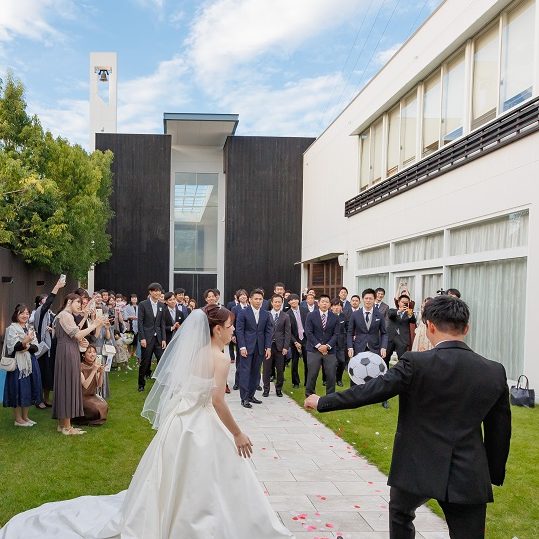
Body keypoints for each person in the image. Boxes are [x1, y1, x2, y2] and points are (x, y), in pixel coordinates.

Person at [0, 307, 294, 539]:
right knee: (206, 474)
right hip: (199, 421)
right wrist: (238, 433)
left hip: (182, 420)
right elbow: (217, 401)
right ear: (217, 329)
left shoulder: (197, 352)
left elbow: (188, 388)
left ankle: (177, 515)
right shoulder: (219, 358)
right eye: (230, 326)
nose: (232, 331)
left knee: (175, 474)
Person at [305, 295, 511, 539]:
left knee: (401, 515)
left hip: (416, 464)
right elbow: (499, 430)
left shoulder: (416, 362)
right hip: (468, 470)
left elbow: (373, 390)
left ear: (430, 326)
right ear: (467, 328)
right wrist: (491, 473)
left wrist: (323, 401)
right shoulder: (494, 371)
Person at [52, 293, 104, 435]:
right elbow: (77, 335)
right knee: (68, 386)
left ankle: (62, 424)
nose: (80, 306)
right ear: (69, 302)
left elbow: (75, 330)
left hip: (67, 351)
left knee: (65, 386)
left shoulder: (65, 315)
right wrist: (94, 324)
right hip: (68, 352)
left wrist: (86, 317)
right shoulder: (65, 315)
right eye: (78, 303)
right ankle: (67, 427)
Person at [2, 304, 42, 427]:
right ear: (16, 314)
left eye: (27, 313)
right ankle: (18, 419)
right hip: (18, 365)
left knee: (29, 389)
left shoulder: (30, 328)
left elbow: (36, 347)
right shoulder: (12, 329)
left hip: (30, 363)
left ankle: (25, 417)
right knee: (18, 390)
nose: (25, 315)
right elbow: (14, 347)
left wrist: (26, 345)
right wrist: (25, 342)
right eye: (22, 313)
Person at [235, 289, 273, 408]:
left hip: (260, 347)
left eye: (260, 299)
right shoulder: (243, 312)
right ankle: (244, 398)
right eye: (256, 299)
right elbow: (239, 330)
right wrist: (242, 346)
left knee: (256, 373)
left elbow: (268, 331)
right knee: (245, 372)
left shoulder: (266, 314)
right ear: (250, 299)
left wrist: (268, 347)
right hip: (246, 347)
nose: (258, 301)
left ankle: (251, 395)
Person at [33, 276, 66, 407]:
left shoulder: (50, 314)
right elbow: (49, 302)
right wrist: (57, 287)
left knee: (48, 374)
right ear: (40, 303)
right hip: (43, 349)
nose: (48, 302)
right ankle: (39, 400)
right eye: (45, 300)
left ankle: (46, 399)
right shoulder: (39, 313)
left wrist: (53, 330)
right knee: (42, 374)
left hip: (51, 348)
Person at [304, 294, 339, 396]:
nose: (324, 304)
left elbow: (336, 334)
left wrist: (327, 346)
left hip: (330, 351)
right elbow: (308, 332)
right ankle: (309, 395)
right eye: (322, 301)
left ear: (330, 304)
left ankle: (330, 397)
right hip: (314, 350)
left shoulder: (335, 317)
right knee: (312, 374)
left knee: (331, 375)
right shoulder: (311, 315)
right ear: (318, 303)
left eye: (327, 302)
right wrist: (319, 346)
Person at [137, 283, 166, 392]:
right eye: (155, 291)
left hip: (158, 338)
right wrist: (142, 338)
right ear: (150, 292)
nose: (157, 293)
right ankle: (141, 384)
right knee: (145, 362)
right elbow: (140, 323)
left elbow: (162, 324)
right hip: (147, 338)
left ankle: (161, 384)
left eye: (159, 291)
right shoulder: (143, 304)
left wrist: (163, 339)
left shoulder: (162, 305)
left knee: (162, 361)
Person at [263, 294, 291, 397]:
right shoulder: (266, 314)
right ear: (272, 303)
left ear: (282, 303)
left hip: (280, 347)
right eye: (275, 302)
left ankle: (278, 389)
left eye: (279, 302)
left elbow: (287, 333)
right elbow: (263, 331)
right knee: (266, 369)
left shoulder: (285, 316)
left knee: (280, 369)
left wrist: (286, 347)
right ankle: (266, 389)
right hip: (268, 346)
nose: (277, 304)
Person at [74, 345, 108, 426]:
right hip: (82, 397)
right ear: (83, 355)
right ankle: (84, 420)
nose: (92, 354)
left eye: (94, 352)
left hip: (92, 396)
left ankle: (94, 419)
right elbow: (85, 385)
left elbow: (99, 385)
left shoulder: (95, 365)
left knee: (104, 405)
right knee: (94, 409)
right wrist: (93, 370)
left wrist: (101, 373)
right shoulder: (80, 366)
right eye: (89, 352)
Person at [386, 295, 417, 364]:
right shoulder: (392, 310)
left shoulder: (409, 312)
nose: (404, 304)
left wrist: (409, 312)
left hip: (402, 339)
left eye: (406, 302)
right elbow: (390, 315)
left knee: (402, 359)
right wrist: (399, 311)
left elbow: (413, 321)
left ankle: (401, 370)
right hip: (391, 338)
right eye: (403, 302)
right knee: (386, 358)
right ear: (398, 302)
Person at [287, 293, 307, 389]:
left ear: (298, 300)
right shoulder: (287, 314)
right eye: (291, 300)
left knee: (308, 362)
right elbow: (288, 331)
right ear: (289, 302)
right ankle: (295, 382)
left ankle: (308, 382)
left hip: (306, 339)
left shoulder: (305, 310)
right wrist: (295, 342)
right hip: (294, 340)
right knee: (294, 363)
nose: (293, 301)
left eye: (295, 299)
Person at [330, 299, 348, 387]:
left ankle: (339, 379)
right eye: (334, 305)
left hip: (341, 344)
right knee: (330, 363)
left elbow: (348, 329)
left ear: (341, 307)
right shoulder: (328, 316)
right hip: (330, 344)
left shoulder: (344, 316)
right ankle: (326, 379)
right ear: (331, 307)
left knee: (342, 361)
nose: (336, 307)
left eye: (338, 305)